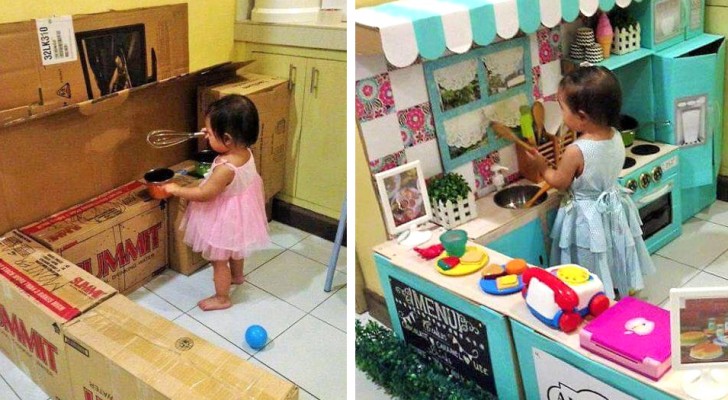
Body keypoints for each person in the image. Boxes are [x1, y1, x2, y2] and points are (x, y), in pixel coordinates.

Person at [523, 66, 654, 298]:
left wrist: (542, 166)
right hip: (613, 208)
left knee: (590, 257)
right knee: (610, 250)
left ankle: (591, 297)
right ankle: (615, 289)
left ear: (581, 117)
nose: (561, 115)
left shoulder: (577, 150)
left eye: (563, 109)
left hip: (587, 215)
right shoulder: (614, 135)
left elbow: (560, 182)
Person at [163, 94, 270, 311]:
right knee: (236, 247)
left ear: (227, 139)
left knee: (219, 260)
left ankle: (222, 298)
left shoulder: (225, 169)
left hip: (223, 214)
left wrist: (178, 190)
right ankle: (238, 276)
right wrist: (214, 134)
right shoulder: (245, 151)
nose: (206, 136)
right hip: (242, 210)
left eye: (210, 133)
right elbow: (224, 146)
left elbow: (205, 194)